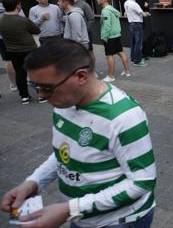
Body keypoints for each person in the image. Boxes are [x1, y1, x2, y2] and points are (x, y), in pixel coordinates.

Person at [1, 39, 156, 228]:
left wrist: (69, 209)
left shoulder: (125, 117)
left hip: (118, 222)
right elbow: (66, 152)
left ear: (81, 77)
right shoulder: (65, 101)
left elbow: (141, 183)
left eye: (46, 88)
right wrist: (34, 182)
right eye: (36, 87)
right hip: (80, 217)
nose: (40, 95)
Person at [0, 0, 40, 104]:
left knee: (19, 72)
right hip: (29, 48)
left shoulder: (2, 21)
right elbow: (36, 30)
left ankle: (24, 96)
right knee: (34, 71)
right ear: (17, 5)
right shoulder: (23, 20)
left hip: (12, 50)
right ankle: (41, 95)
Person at [97, 0, 130, 82]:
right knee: (121, 52)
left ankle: (111, 76)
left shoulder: (105, 11)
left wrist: (104, 37)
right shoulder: (112, 9)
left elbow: (107, 26)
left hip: (110, 37)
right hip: (117, 35)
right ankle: (127, 72)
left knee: (109, 56)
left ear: (105, 0)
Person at [125, 0, 150, 67]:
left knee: (133, 43)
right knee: (138, 44)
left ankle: (133, 59)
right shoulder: (135, 4)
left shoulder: (126, 3)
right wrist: (147, 13)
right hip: (137, 24)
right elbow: (143, 14)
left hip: (131, 24)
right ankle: (137, 61)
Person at [0, 0, 19, 92]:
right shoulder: (14, 6)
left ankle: (14, 84)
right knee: (22, 57)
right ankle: (29, 78)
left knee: (8, 60)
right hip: (16, 35)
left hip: (2, 38)